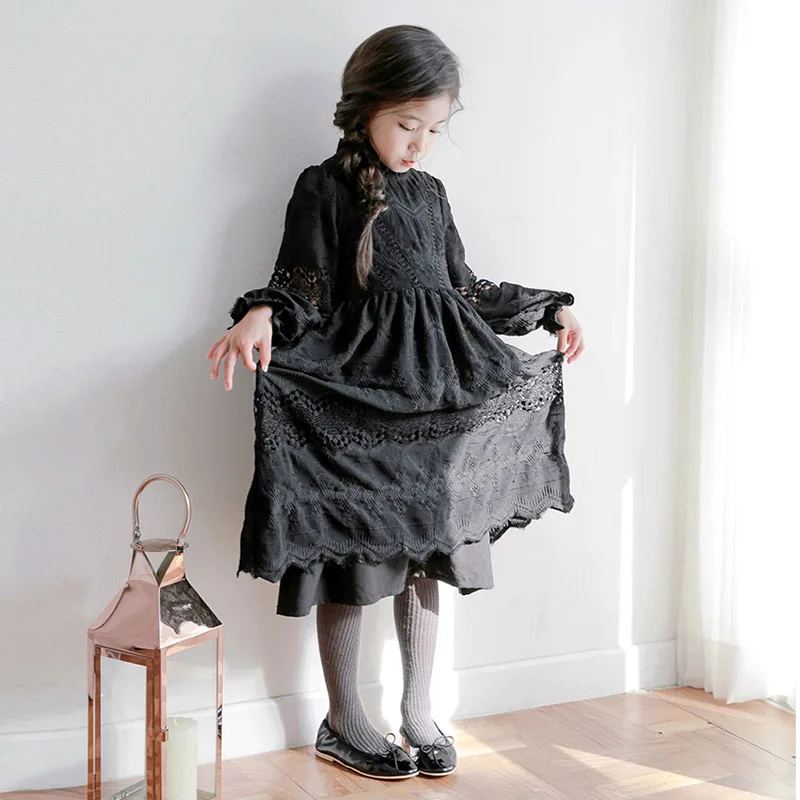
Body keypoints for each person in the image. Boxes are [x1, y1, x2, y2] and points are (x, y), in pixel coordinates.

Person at [207, 24, 585, 782]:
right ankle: (344, 719)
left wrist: (548, 307)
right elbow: (302, 285)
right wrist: (262, 314)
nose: (420, 144)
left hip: (438, 396)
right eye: (408, 124)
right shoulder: (324, 187)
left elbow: (463, 288)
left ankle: (418, 711)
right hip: (362, 398)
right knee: (354, 551)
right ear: (366, 109)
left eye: (435, 130)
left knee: (428, 551)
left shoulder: (431, 194)